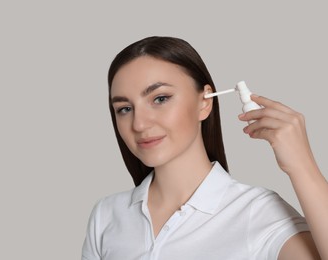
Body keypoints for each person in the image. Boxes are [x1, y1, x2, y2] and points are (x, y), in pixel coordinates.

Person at [82, 36, 328, 260]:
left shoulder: (257, 212)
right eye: (124, 108)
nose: (139, 123)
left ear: (204, 102)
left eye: (160, 99)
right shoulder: (107, 216)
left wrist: (302, 167)